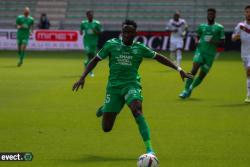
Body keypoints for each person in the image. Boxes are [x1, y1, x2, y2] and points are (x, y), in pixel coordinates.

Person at [73, 20, 192, 154]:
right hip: (114, 87)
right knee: (106, 128)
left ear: (135, 33)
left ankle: (149, 149)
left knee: (137, 110)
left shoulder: (140, 48)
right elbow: (95, 59)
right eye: (125, 31)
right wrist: (82, 77)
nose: (127, 34)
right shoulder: (111, 45)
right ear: (121, 32)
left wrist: (179, 69)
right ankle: (106, 107)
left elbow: (159, 57)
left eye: (130, 32)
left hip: (131, 85)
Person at [179, 8, 225, 99]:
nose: (210, 15)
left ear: (215, 15)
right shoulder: (202, 26)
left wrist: (213, 41)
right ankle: (185, 90)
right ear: (207, 15)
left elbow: (223, 42)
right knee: (194, 68)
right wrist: (196, 41)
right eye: (209, 14)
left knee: (202, 75)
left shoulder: (219, 28)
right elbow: (197, 36)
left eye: (212, 14)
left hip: (210, 55)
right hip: (200, 51)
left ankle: (190, 89)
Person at [232, 5, 250, 103]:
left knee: (249, 71)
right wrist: (235, 37)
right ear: (245, 13)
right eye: (247, 12)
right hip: (244, 53)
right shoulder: (241, 26)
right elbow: (233, 37)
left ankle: (248, 96)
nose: (249, 13)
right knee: (248, 75)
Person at [80, 10, 102, 77]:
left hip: (94, 42)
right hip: (87, 41)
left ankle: (86, 63)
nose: (91, 16)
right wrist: (81, 31)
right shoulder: (83, 23)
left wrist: (95, 31)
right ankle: (90, 71)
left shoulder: (97, 23)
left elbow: (100, 33)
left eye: (91, 15)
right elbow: (81, 30)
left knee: (92, 57)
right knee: (89, 54)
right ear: (87, 16)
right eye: (89, 15)